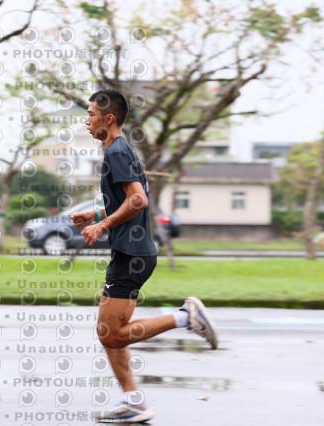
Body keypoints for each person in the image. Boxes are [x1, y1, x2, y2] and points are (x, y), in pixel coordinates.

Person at [71, 89, 218, 423]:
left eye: (91, 113)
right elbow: (130, 198)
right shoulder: (121, 151)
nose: (87, 119)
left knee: (111, 334)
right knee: (112, 334)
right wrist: (96, 214)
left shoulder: (117, 151)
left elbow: (138, 200)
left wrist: (102, 225)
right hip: (132, 252)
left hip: (130, 254)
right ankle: (133, 401)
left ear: (108, 118)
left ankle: (186, 317)